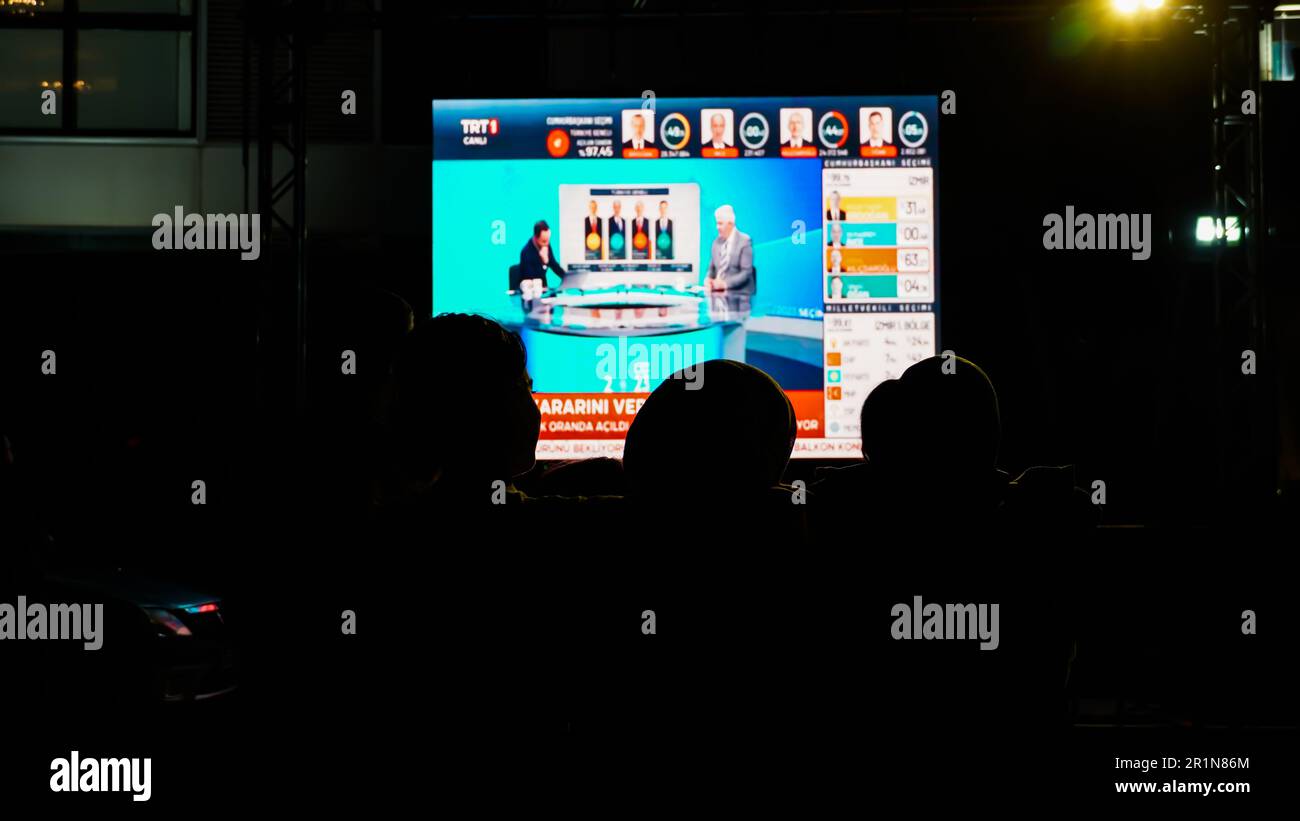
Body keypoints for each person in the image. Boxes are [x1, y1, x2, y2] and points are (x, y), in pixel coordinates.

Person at [704, 204, 755, 295]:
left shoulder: (745, 241)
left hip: (738, 295)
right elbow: (711, 268)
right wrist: (708, 279)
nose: (717, 227)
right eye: (717, 223)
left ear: (730, 224)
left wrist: (725, 284)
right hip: (717, 293)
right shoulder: (716, 243)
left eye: (720, 223)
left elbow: (746, 273)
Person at [518, 219, 565, 284]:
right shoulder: (526, 252)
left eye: (548, 239)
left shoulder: (546, 244)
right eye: (544, 241)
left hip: (544, 287)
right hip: (530, 288)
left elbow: (553, 264)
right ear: (535, 238)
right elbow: (531, 278)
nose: (547, 243)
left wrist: (566, 277)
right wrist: (544, 263)